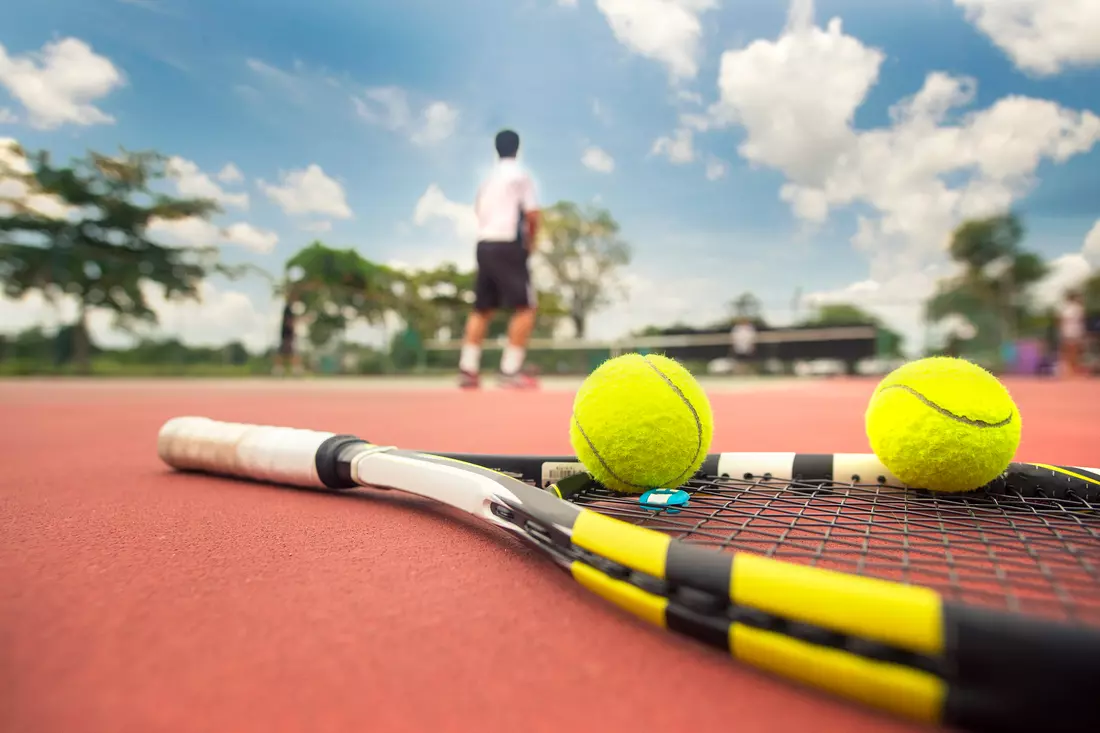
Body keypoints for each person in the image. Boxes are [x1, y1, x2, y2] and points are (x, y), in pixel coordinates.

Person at [457, 129, 541, 389]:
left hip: (484, 245)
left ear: (496, 149)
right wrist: (531, 243)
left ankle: (468, 369)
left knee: (481, 309)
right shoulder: (520, 176)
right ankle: (509, 370)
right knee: (526, 308)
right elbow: (533, 215)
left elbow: (478, 210)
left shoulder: (488, 181)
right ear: (518, 148)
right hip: (508, 245)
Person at [1057, 290, 1087, 377]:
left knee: (1070, 351)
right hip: (1073, 330)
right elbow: (1082, 320)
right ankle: (1070, 370)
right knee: (1072, 351)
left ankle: (1071, 370)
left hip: (1070, 330)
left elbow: (1060, 320)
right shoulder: (1076, 308)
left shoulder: (1068, 308)